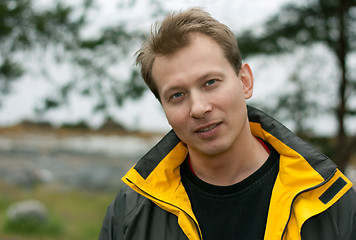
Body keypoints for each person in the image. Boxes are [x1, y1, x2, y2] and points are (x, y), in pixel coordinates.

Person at [99, 8, 356, 240]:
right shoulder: (131, 212)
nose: (199, 108)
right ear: (164, 108)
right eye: (177, 95)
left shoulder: (331, 202)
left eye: (210, 82)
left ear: (245, 81)